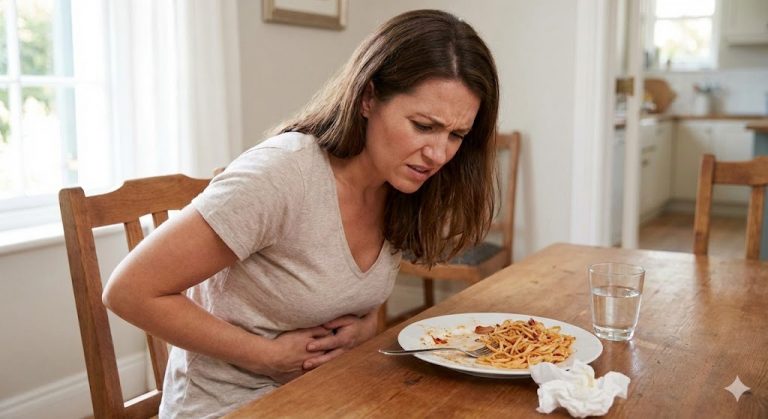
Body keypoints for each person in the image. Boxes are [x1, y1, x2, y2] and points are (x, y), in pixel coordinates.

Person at [103, 9, 500, 418]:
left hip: (327, 393)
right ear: (367, 98)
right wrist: (265, 355)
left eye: (456, 135)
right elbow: (129, 291)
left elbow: (341, 288)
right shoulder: (282, 175)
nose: (439, 154)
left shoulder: (401, 184)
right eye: (422, 126)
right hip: (232, 406)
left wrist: (366, 328)